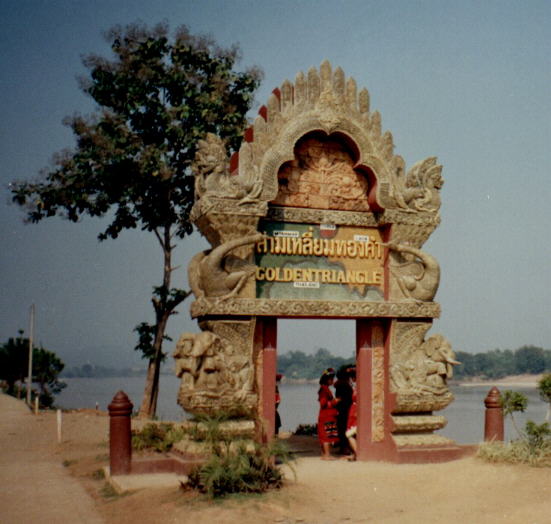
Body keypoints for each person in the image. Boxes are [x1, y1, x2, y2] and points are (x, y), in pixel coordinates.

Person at [317, 367, 339, 460]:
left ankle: (324, 454)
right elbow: (323, 404)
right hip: (326, 416)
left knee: (325, 434)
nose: (332, 381)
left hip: (327, 415)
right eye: (331, 379)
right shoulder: (324, 390)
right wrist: (335, 402)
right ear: (327, 380)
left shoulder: (325, 389)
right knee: (326, 436)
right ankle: (327, 455)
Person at [334, 365, 354, 455]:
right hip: (345, 409)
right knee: (344, 428)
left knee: (342, 428)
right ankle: (345, 448)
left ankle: (343, 447)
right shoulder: (344, 385)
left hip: (342, 408)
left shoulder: (340, 384)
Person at [346, 367, 358, 461]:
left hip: (355, 411)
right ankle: (355, 453)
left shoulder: (358, 387)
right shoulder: (357, 386)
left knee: (350, 434)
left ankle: (357, 453)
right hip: (354, 410)